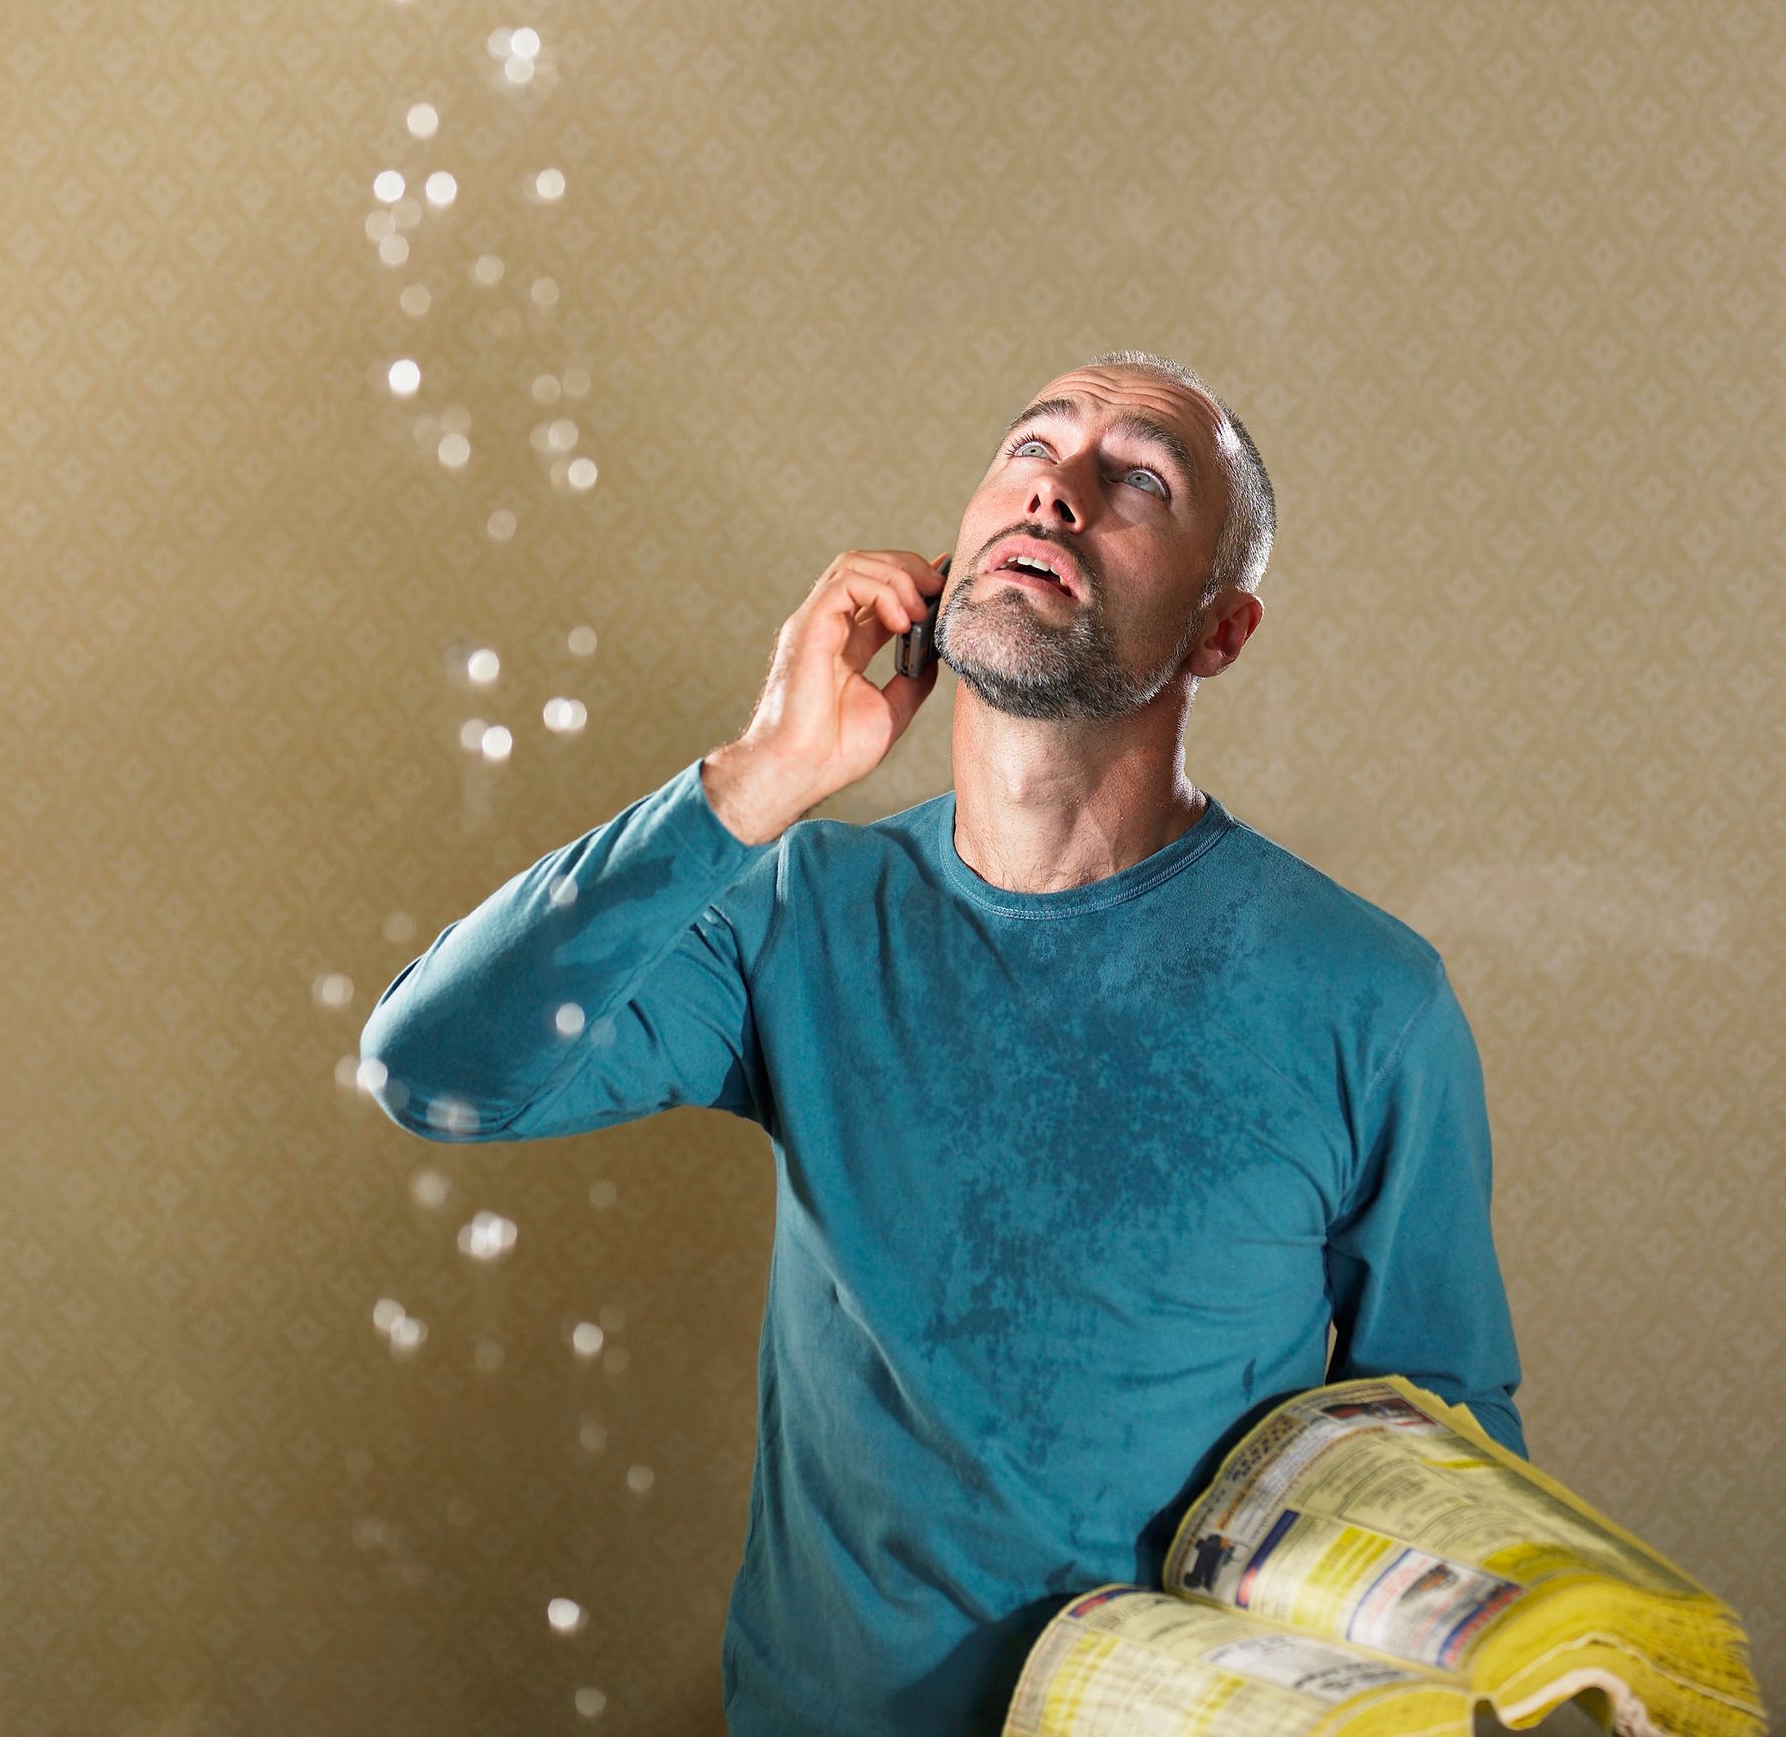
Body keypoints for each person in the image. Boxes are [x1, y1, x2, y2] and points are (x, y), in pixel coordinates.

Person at [361, 352, 1523, 1736]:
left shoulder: (1370, 998)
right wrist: (759, 776)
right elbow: (437, 1075)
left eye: (1136, 475)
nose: (1058, 483)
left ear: (1220, 633)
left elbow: (1443, 1462)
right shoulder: (797, 913)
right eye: (1032, 445)